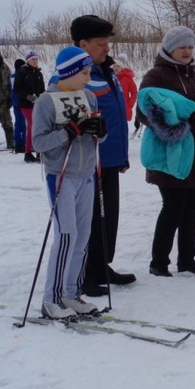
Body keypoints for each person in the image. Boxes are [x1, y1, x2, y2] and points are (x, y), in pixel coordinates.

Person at [138, 26, 195, 276]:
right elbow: (143, 113)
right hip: (171, 153)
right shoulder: (156, 76)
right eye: (181, 47)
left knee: (192, 209)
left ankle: (187, 260)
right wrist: (171, 124)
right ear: (169, 48)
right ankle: (159, 263)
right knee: (173, 207)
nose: (186, 51)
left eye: (190, 46)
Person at [32, 46, 107, 318]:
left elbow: (95, 137)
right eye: (84, 72)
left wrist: (101, 131)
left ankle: (71, 293)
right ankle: (51, 299)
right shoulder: (45, 101)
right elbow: (39, 143)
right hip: (61, 176)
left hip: (86, 174)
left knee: (83, 237)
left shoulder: (88, 96)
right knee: (66, 236)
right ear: (70, 72)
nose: (88, 77)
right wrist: (68, 132)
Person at [70, 15, 135, 296]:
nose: (106, 48)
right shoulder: (74, 77)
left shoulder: (107, 70)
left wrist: (121, 156)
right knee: (89, 220)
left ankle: (100, 266)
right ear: (83, 44)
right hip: (87, 164)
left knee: (108, 220)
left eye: (107, 42)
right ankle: (81, 273)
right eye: (100, 44)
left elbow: (116, 115)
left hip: (109, 159)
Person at [13, 50, 45, 162]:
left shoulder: (38, 73)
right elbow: (17, 88)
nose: (35, 61)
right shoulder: (22, 72)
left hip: (37, 103)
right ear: (28, 61)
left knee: (36, 126)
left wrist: (42, 98)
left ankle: (36, 152)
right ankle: (30, 152)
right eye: (33, 59)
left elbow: (42, 90)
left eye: (36, 59)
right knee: (33, 125)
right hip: (25, 104)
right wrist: (28, 96)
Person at [112, 53, 138, 131]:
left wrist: (129, 105)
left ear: (122, 68)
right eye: (114, 65)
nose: (115, 68)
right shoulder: (110, 77)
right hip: (112, 106)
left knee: (122, 127)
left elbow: (134, 92)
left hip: (123, 107)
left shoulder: (127, 79)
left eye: (118, 66)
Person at [11, 59, 27, 153]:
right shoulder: (21, 76)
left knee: (17, 124)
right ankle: (24, 144)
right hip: (21, 102)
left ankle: (18, 144)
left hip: (15, 103)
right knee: (24, 124)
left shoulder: (12, 76)